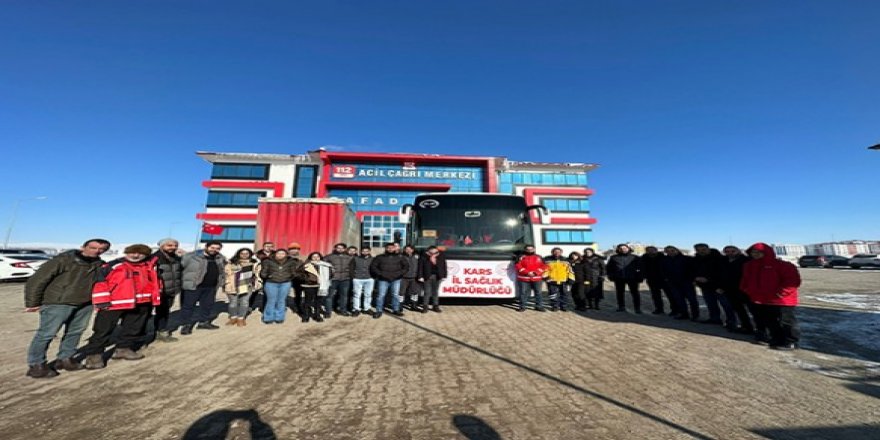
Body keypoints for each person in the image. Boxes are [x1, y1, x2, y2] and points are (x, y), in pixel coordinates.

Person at [24, 238, 111, 378]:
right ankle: (36, 364)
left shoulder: (99, 264)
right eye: (93, 248)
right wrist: (32, 303)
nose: (97, 251)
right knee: (46, 334)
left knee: (75, 332)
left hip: (85, 303)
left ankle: (65, 358)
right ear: (83, 247)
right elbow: (37, 280)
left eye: (101, 249)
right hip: (58, 302)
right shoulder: (63, 260)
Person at [82, 244, 161, 369]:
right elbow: (100, 283)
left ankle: (123, 349)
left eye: (140, 253)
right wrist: (102, 300)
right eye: (132, 252)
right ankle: (94, 355)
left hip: (141, 303)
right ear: (126, 253)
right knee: (103, 330)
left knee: (133, 328)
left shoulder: (150, 266)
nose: (136, 255)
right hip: (114, 303)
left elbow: (155, 282)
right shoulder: (114, 265)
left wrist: (153, 298)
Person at [740, 243, 801, 350]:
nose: (756, 254)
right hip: (761, 299)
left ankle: (791, 341)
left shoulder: (782, 265)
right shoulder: (749, 266)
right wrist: (747, 290)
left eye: (759, 252)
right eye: (753, 252)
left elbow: (792, 281)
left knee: (785, 321)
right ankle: (777, 338)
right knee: (770, 321)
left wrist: (781, 293)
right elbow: (745, 280)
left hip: (781, 300)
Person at [179, 241, 227, 335]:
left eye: (217, 248)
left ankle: (203, 322)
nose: (214, 250)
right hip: (193, 286)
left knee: (207, 305)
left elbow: (223, 269)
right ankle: (186, 325)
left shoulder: (220, 258)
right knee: (188, 306)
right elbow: (180, 268)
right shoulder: (191, 256)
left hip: (211, 286)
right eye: (212, 248)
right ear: (206, 247)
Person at [693, 244, 734, 326]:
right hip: (705, 287)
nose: (701, 251)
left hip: (718, 286)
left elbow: (724, 274)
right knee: (711, 304)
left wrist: (719, 285)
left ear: (708, 249)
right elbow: (693, 271)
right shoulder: (696, 259)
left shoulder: (720, 258)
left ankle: (731, 321)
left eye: (703, 249)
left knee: (726, 305)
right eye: (699, 250)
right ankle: (715, 319)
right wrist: (696, 279)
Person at [717, 245, 755, 334]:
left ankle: (761, 329)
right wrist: (721, 286)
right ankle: (747, 327)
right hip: (730, 290)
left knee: (753, 310)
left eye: (733, 251)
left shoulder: (746, 261)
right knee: (739, 310)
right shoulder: (723, 261)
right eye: (727, 251)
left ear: (738, 251)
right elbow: (721, 275)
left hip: (745, 289)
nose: (730, 253)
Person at [152, 238, 183, 342]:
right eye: (169, 245)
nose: (173, 247)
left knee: (164, 312)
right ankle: (138, 335)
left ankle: (161, 331)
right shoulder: (154, 258)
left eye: (175, 245)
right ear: (162, 246)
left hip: (170, 291)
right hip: (156, 291)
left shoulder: (177, 258)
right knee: (145, 314)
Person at [369, 242, 409, 318]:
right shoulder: (379, 257)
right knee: (381, 295)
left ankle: (396, 310)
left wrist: (398, 274)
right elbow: (373, 267)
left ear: (395, 248)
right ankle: (379, 311)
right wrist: (381, 274)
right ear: (386, 248)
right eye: (388, 248)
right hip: (383, 279)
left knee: (395, 295)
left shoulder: (400, 257)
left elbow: (406, 267)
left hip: (396, 279)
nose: (390, 249)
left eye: (392, 247)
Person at [259, 249, 298, 324]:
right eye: (279, 253)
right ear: (275, 254)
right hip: (271, 283)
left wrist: (289, 277)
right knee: (271, 300)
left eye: (282, 254)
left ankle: (279, 317)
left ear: (286, 255)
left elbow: (293, 272)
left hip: (285, 283)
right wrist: (267, 276)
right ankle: (268, 317)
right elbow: (263, 271)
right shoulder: (268, 261)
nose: (280, 255)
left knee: (281, 300)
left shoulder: (291, 262)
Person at [661, 246, 699, 320]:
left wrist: (693, 280)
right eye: (668, 251)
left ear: (677, 250)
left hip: (687, 282)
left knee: (692, 299)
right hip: (673, 283)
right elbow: (662, 271)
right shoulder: (664, 260)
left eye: (672, 250)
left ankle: (695, 315)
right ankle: (684, 314)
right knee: (679, 299)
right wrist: (666, 279)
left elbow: (693, 270)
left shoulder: (687, 259)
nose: (670, 252)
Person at [224, 248, 259, 326]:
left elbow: (257, 274)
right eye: (242, 253)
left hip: (247, 286)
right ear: (238, 254)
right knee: (233, 303)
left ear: (250, 254)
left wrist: (257, 283)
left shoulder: (254, 263)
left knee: (244, 303)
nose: (244, 255)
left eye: (247, 253)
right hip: (232, 285)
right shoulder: (231, 263)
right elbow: (225, 274)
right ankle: (233, 317)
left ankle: (241, 318)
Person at [606, 244, 645, 313]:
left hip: (632, 278)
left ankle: (637, 308)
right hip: (619, 278)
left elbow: (641, 268)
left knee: (635, 293)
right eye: (620, 248)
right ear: (618, 250)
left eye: (624, 248)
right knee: (620, 293)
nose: (623, 249)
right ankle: (621, 307)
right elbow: (609, 268)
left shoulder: (635, 257)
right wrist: (611, 276)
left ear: (628, 248)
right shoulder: (614, 258)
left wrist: (640, 276)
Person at [297, 252, 334, 323]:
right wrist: (306, 279)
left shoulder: (325, 265)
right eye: (314, 257)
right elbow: (298, 274)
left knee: (318, 301)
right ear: (310, 257)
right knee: (308, 301)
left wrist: (325, 279)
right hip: (308, 285)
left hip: (321, 286)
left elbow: (331, 274)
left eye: (317, 256)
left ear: (320, 257)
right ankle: (306, 316)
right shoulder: (306, 265)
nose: (316, 258)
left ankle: (317, 315)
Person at [324, 243, 354, 317]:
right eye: (338, 248)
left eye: (342, 248)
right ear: (335, 248)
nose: (340, 249)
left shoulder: (349, 257)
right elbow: (323, 266)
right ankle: (328, 312)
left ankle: (343, 310)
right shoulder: (329, 257)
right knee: (329, 296)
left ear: (344, 249)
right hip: (333, 279)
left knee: (344, 296)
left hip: (345, 279)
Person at [515, 244, 547, 312]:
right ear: (525, 250)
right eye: (528, 249)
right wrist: (527, 272)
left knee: (538, 293)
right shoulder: (520, 257)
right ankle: (522, 307)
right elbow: (517, 265)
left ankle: (539, 306)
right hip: (524, 278)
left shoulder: (539, 257)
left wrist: (536, 272)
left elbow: (544, 266)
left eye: (531, 249)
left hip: (537, 278)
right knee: (523, 293)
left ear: (534, 249)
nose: (530, 250)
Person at [418, 246, 447, 313]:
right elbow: (420, 267)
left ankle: (435, 306)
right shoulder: (424, 256)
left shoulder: (441, 256)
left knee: (435, 292)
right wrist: (420, 276)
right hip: (427, 276)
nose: (434, 252)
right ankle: (425, 307)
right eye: (432, 251)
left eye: (435, 251)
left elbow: (444, 266)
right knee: (427, 292)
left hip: (438, 276)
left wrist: (444, 275)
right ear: (429, 251)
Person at [544, 247, 574, 312]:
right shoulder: (547, 260)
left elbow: (570, 270)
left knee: (564, 294)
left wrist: (570, 279)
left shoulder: (566, 260)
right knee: (552, 294)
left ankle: (564, 306)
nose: (557, 253)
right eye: (555, 251)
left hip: (564, 280)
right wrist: (546, 278)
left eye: (558, 251)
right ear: (552, 252)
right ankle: (555, 306)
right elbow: (545, 270)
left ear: (561, 252)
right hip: (551, 280)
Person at [641, 246, 670, 315]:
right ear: (646, 251)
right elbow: (642, 268)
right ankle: (659, 309)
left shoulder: (663, 257)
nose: (651, 251)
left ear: (656, 250)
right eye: (649, 250)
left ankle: (675, 309)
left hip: (664, 279)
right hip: (651, 279)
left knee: (670, 294)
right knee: (655, 295)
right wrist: (644, 276)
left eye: (652, 250)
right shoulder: (644, 258)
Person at [350, 246, 374, 317]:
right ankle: (356, 309)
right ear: (361, 252)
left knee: (368, 294)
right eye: (363, 251)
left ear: (369, 251)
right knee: (357, 294)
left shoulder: (373, 259)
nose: (365, 252)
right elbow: (351, 268)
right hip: (357, 279)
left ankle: (367, 308)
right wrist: (353, 277)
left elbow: (376, 267)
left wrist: (374, 276)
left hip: (369, 279)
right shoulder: (355, 259)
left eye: (367, 251)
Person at [400, 245, 421, 311]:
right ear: (404, 250)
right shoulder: (401, 257)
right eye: (406, 249)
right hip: (403, 277)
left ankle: (413, 305)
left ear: (413, 250)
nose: (408, 251)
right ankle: (400, 305)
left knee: (415, 292)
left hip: (414, 277)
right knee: (401, 292)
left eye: (410, 249)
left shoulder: (417, 257)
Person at [286, 243, 305, 314]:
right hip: (286, 279)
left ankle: (297, 307)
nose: (295, 251)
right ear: (289, 250)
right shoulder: (285, 258)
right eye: (292, 249)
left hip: (298, 279)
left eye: (296, 249)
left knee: (298, 294)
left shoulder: (302, 259)